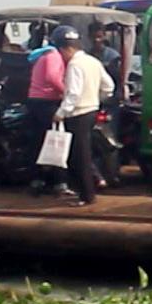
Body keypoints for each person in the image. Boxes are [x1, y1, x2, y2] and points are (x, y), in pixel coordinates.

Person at [53, 25, 113, 206]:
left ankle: (86, 196)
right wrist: (96, 99)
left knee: (79, 156)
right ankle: (86, 193)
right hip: (91, 111)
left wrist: (60, 113)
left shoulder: (75, 65)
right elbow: (108, 87)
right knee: (84, 153)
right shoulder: (93, 61)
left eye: (60, 51)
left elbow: (73, 93)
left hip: (77, 114)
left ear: (66, 48)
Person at [26, 32, 69, 196]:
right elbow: (51, 77)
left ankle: (37, 180)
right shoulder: (54, 56)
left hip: (35, 101)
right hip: (47, 102)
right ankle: (59, 182)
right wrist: (65, 92)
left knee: (37, 142)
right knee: (55, 142)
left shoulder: (42, 55)